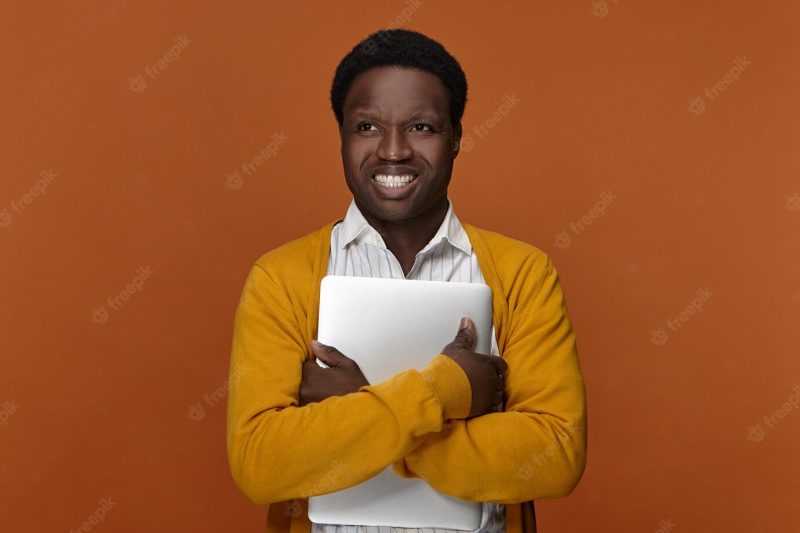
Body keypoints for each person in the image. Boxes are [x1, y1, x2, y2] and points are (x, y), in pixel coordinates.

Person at [226, 28, 587, 533]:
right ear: (343, 137)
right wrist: (445, 391)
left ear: (457, 137)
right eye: (368, 126)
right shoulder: (280, 279)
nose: (393, 151)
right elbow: (261, 464)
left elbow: (555, 456)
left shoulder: (524, 274)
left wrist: (362, 412)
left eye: (421, 127)